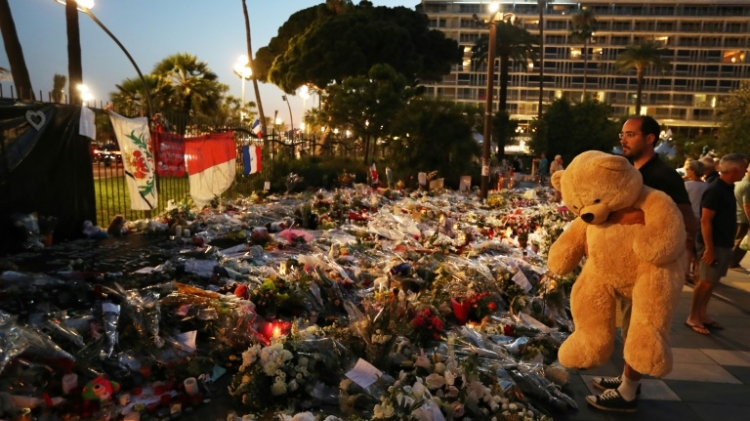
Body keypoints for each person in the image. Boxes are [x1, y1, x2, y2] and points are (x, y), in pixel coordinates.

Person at [587, 115, 698, 413]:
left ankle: (628, 393)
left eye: (631, 134)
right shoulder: (634, 172)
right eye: (622, 134)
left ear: (650, 139)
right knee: (629, 324)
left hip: (652, 269)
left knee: (641, 327)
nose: (623, 139)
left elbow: (687, 221)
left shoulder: (662, 175)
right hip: (631, 266)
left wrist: (626, 217)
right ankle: (627, 378)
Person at [686, 154, 747, 335]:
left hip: (723, 243)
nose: (745, 172)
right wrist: (709, 248)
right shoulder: (716, 189)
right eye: (744, 168)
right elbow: (706, 220)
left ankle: (702, 314)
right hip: (713, 243)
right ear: (735, 170)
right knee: (704, 282)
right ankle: (693, 316)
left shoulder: (727, 188)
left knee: (711, 282)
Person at [684, 160, 709, 283]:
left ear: (692, 171)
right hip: (703, 218)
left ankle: (686, 272)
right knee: (698, 248)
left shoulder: (686, 186)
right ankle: (697, 273)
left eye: (688, 169)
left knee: (687, 247)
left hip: (689, 218)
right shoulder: (707, 186)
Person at [729, 162, 750, 271]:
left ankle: (730, 262)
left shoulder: (739, 183)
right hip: (743, 217)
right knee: (741, 242)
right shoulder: (748, 186)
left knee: (736, 241)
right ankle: (732, 263)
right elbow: (746, 204)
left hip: (736, 215)